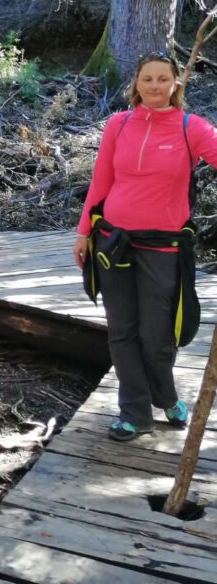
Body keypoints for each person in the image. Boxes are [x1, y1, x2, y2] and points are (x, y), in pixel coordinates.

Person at [73, 51, 217, 441]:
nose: (154, 85)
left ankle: (166, 396)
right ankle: (134, 413)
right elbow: (100, 183)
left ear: (175, 84)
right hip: (113, 243)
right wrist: (83, 231)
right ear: (136, 83)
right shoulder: (118, 125)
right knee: (121, 331)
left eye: (162, 78)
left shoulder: (192, 128)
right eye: (147, 78)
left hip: (163, 248)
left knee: (157, 335)